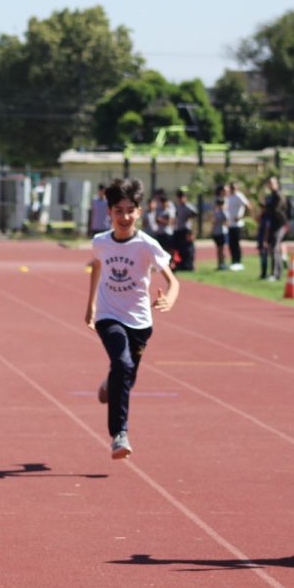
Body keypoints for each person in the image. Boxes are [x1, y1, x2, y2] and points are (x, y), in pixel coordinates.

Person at [84, 177, 179, 460]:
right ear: (109, 212)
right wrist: (90, 306)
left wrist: (169, 298)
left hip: (140, 321)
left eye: (130, 211)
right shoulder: (100, 242)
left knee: (126, 375)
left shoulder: (147, 245)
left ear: (139, 211)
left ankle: (109, 383)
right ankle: (119, 434)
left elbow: (173, 282)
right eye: (118, 211)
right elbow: (97, 267)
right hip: (108, 315)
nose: (124, 217)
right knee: (123, 364)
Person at [262, 176, 289, 281]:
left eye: (272, 183)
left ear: (276, 184)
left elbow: (277, 210)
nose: (270, 185)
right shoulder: (271, 196)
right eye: (269, 183)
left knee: (274, 248)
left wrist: (267, 208)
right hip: (272, 224)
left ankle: (276, 273)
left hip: (279, 224)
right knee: (273, 248)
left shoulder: (278, 196)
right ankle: (276, 273)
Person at [224, 181, 250, 271]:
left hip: (237, 225)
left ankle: (238, 262)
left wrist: (241, 216)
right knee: (231, 244)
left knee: (236, 243)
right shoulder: (229, 197)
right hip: (230, 224)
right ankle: (233, 261)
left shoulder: (239, 196)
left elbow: (248, 205)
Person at [172, 187, 197, 271]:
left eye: (182, 197)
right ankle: (181, 264)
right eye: (179, 197)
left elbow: (195, 214)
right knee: (180, 248)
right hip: (179, 229)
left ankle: (189, 265)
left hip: (186, 230)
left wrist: (192, 230)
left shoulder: (187, 206)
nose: (180, 199)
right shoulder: (178, 206)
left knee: (188, 249)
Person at [211, 184, 229, 270]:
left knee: (221, 248)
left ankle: (221, 263)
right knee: (220, 248)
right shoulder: (219, 210)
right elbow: (225, 221)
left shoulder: (219, 211)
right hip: (220, 231)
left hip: (219, 230)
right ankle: (221, 263)